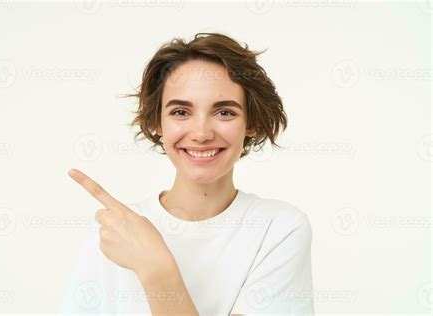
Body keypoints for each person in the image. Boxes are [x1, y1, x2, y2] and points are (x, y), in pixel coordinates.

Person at [60, 32, 314, 315]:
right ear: (156, 121)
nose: (202, 134)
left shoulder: (279, 229)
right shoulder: (115, 229)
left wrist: (156, 269)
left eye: (225, 113)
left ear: (251, 122)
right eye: (181, 112)